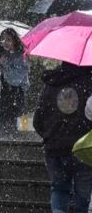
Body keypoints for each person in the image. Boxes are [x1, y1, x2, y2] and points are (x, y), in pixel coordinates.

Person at [33, 61, 92, 213]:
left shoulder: (51, 83)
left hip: (55, 149)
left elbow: (37, 121)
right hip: (83, 150)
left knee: (59, 190)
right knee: (83, 196)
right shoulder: (88, 82)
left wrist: (50, 136)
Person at [0, 28, 30, 126]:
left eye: (8, 39)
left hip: (16, 96)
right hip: (1, 95)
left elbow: (16, 79)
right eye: (3, 39)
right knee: (0, 125)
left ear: (15, 41)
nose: (5, 42)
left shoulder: (21, 56)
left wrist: (4, 65)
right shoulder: (1, 54)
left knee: (18, 127)